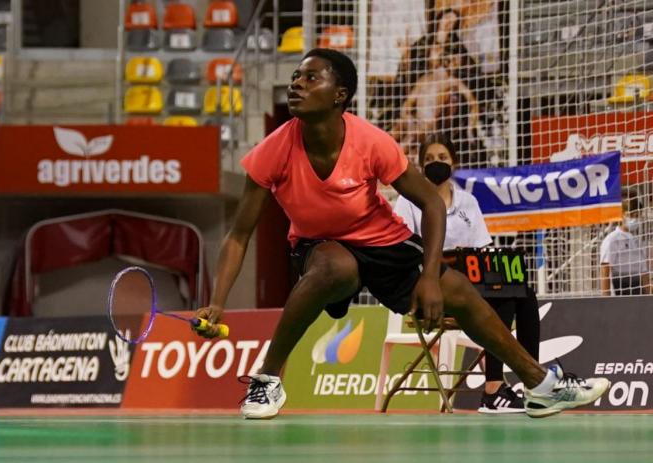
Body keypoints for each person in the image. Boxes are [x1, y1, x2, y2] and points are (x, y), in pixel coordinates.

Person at [194, 48, 609, 420]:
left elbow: (431, 203)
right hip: (319, 248)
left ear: (340, 95)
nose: (298, 86)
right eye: (295, 79)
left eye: (310, 78)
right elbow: (237, 235)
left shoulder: (371, 142)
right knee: (334, 266)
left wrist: (429, 277)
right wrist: (216, 304)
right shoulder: (273, 150)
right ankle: (268, 379)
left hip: (381, 243)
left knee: (461, 292)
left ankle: (539, 386)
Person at [393, 133, 541, 414]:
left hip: (472, 284)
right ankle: (493, 390)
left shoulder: (468, 202)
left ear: (454, 163)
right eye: (429, 160)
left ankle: (533, 385)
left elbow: (484, 249)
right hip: (432, 289)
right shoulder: (408, 201)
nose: (436, 164)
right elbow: (403, 248)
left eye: (442, 158)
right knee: (499, 297)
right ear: (420, 166)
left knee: (522, 292)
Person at [600, 197, 651, 296]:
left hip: (638, 297)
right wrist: (605, 300)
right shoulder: (612, 240)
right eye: (633, 216)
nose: (636, 219)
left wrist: (649, 297)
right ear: (623, 215)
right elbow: (605, 271)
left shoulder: (637, 242)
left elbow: (644, 274)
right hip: (619, 296)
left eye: (638, 216)